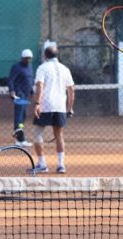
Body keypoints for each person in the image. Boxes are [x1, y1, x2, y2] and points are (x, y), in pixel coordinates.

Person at [30, 46, 75, 174]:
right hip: (60, 106)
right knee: (59, 135)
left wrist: (37, 103)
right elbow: (71, 90)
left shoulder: (42, 68)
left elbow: (40, 85)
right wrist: (69, 108)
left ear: (45, 55)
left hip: (45, 105)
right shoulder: (65, 69)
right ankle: (61, 165)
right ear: (57, 55)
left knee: (37, 133)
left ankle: (42, 164)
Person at [8, 49, 35, 147]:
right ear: (22, 58)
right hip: (19, 94)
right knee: (19, 117)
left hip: (26, 95)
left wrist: (31, 91)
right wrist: (12, 91)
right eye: (26, 59)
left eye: (29, 59)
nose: (28, 60)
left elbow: (30, 80)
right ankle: (20, 139)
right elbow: (11, 80)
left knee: (23, 116)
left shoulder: (30, 67)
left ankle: (20, 137)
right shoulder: (16, 67)